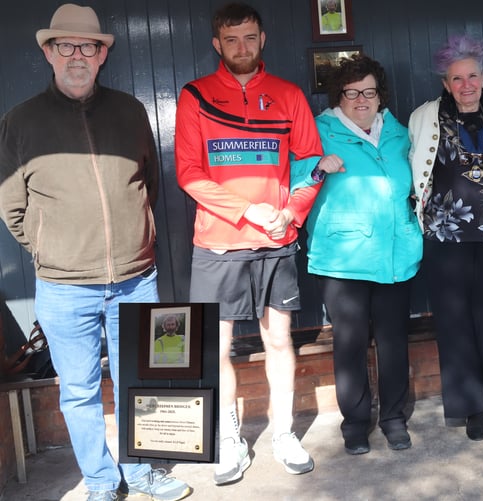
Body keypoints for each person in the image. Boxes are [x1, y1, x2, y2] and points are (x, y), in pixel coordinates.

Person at [0, 4, 192, 501]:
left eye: (89, 46)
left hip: (135, 278)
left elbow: (146, 184)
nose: (78, 55)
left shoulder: (130, 110)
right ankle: (103, 483)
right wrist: (53, 248)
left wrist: (137, 238)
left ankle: (145, 472)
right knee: (79, 392)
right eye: (66, 45)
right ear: (48, 52)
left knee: (139, 382)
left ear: (103, 54)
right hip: (64, 289)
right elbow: (12, 208)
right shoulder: (20, 122)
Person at [175, 2, 342, 484]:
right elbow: (189, 172)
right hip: (218, 243)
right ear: (217, 44)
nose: (242, 48)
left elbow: (312, 163)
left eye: (250, 38)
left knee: (278, 340)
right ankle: (229, 440)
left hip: (276, 242)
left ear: (263, 39)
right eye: (232, 40)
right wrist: (247, 210)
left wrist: (290, 214)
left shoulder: (288, 95)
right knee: (216, 348)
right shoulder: (195, 96)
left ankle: (283, 433)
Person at [307, 54, 423, 455]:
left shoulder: (399, 132)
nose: (361, 100)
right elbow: (293, 175)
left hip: (396, 255)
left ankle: (393, 418)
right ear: (338, 96)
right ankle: (355, 424)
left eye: (369, 92)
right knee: (350, 344)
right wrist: (318, 168)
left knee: (393, 341)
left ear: (380, 96)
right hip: (344, 259)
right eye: (352, 92)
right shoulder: (318, 131)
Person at [408, 35, 483, 441]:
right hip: (445, 237)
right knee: (456, 322)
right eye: (457, 78)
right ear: (445, 83)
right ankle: (471, 406)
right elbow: (416, 166)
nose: (466, 84)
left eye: (473, 76)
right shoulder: (425, 116)